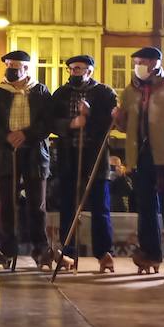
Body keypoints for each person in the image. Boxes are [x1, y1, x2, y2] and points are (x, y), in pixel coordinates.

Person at [0, 49, 54, 269]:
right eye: (7, 65)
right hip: (7, 152)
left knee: (37, 204)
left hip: (34, 152)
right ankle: (7, 248)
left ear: (25, 68)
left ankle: (40, 248)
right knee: (7, 204)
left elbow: (47, 122)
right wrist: (7, 135)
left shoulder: (40, 91)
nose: (9, 69)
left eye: (14, 66)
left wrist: (26, 134)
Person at [48, 54, 118, 272]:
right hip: (69, 155)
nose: (74, 72)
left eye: (79, 69)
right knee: (68, 206)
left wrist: (90, 116)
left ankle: (103, 252)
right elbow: (51, 121)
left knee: (100, 206)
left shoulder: (104, 93)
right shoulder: (61, 93)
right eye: (71, 69)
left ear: (90, 71)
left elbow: (111, 122)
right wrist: (71, 123)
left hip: (94, 156)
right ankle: (68, 252)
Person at [114, 46, 164, 273]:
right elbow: (124, 126)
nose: (137, 67)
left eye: (141, 62)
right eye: (136, 63)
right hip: (140, 156)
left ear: (155, 64)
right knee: (145, 207)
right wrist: (119, 118)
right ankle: (150, 252)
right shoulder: (130, 91)